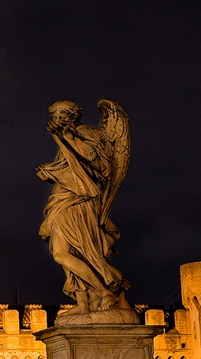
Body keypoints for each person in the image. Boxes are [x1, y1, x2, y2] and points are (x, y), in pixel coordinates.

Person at [36, 99, 133, 321]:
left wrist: (69, 138)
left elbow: (99, 165)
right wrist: (50, 172)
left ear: (73, 116)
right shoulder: (63, 139)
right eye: (55, 116)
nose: (58, 120)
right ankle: (83, 303)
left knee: (78, 250)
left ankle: (104, 290)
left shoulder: (86, 133)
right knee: (64, 253)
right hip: (62, 199)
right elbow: (70, 170)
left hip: (80, 202)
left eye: (63, 116)